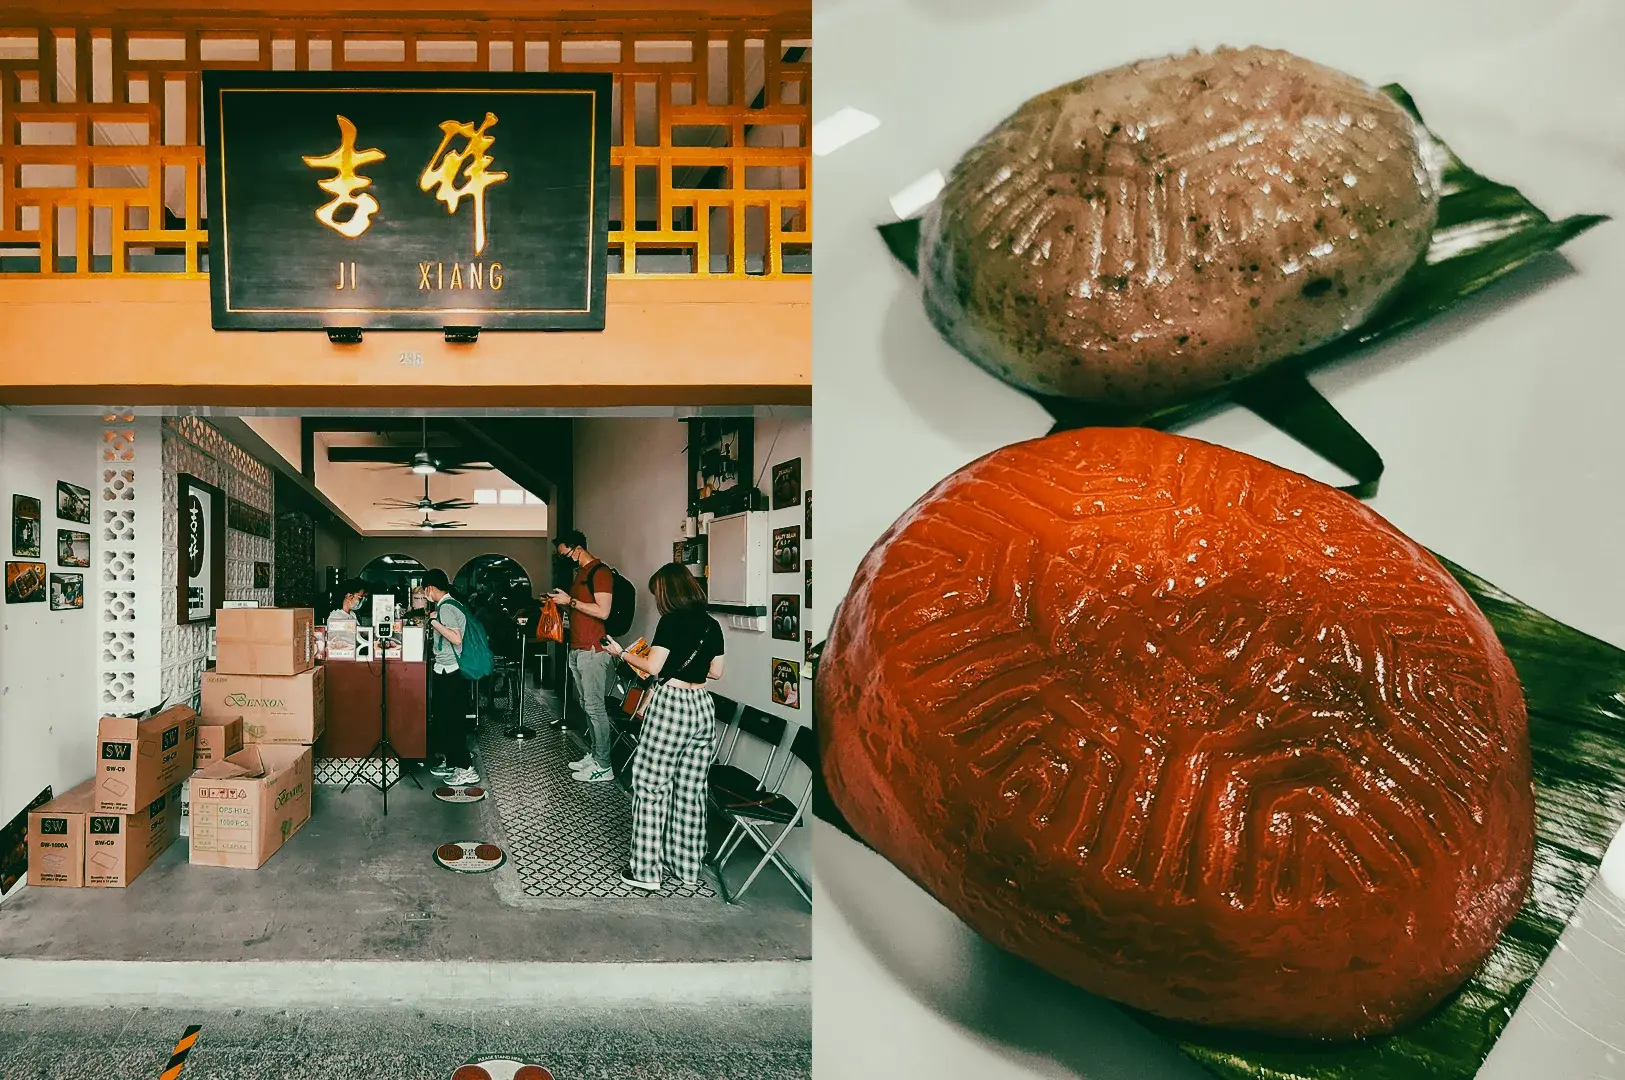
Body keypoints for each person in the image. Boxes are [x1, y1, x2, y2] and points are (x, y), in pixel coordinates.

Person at [603, 563, 725, 891]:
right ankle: (686, 866)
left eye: (658, 593)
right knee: (691, 789)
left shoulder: (671, 621)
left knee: (651, 786)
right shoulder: (712, 624)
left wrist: (621, 653)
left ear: (667, 592)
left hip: (672, 704)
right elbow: (716, 672)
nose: (657, 599)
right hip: (702, 706)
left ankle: (645, 872)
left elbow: (653, 666)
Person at [547, 529, 618, 784]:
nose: (564, 559)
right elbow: (580, 610)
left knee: (595, 707)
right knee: (588, 705)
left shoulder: (601, 573)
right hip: (578, 648)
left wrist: (571, 601)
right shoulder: (580, 575)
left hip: (593, 650)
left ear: (577, 549)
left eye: (565, 554)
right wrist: (563, 603)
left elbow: (603, 611)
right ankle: (596, 755)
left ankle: (604, 765)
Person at [421, 569, 479, 786]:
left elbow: (456, 638)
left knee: (451, 721)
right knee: (447, 720)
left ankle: (465, 768)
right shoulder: (451, 604)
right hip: (448, 669)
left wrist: (434, 622)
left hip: (451, 671)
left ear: (429, 588)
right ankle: (453, 761)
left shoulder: (445, 607)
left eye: (424, 591)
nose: (424, 595)